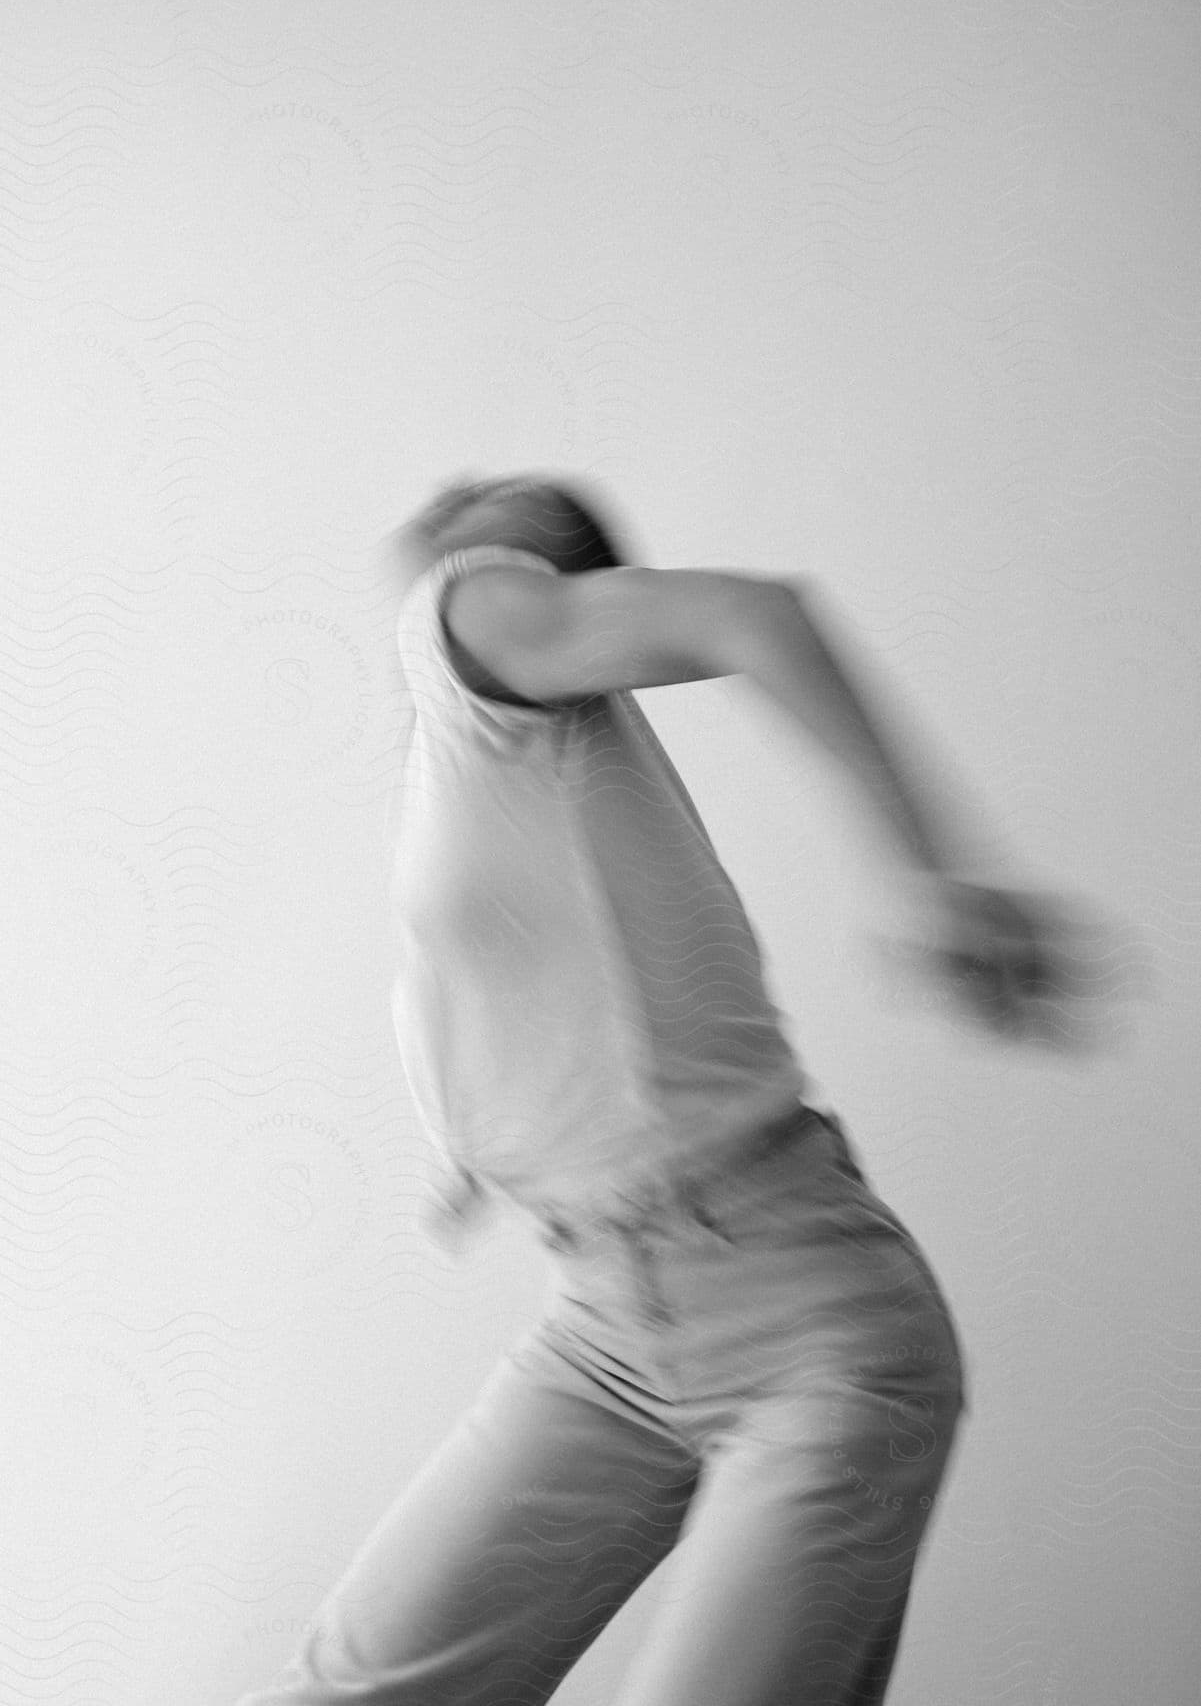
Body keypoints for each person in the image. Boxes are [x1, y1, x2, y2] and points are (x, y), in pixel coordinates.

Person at [235, 471, 1085, 1706]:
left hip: (806, 1332)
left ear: (546, 578)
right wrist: (476, 1144)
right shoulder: (498, 760)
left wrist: (936, 874)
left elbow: (757, 613)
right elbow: (541, 977)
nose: (456, 510)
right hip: (602, 1332)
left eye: (503, 520)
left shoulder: (467, 609)